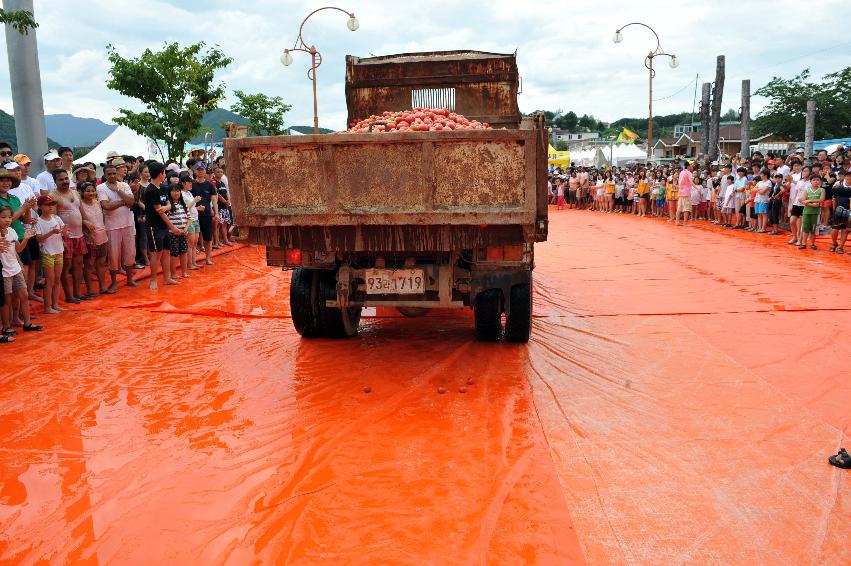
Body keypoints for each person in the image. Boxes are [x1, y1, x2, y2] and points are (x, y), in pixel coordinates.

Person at [96, 164, 138, 293]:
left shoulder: (124, 185)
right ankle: (114, 283)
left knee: (130, 252)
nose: (112, 176)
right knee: (113, 255)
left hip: (128, 223)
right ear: (105, 175)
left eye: (114, 173)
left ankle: (130, 279)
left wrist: (118, 191)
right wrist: (122, 202)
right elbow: (106, 206)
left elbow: (132, 202)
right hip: (112, 226)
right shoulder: (100, 188)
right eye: (109, 174)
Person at [0, 206, 41, 335]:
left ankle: (27, 323)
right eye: (3, 217)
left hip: (15, 268)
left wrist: (26, 238)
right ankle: (6, 326)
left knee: (24, 295)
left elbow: (18, 249)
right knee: (6, 300)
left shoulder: (11, 231)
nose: (7, 220)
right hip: (4, 271)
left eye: (9, 217)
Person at [143, 161, 181, 289]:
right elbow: (160, 212)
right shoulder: (150, 190)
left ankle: (167, 278)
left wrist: (167, 207)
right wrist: (172, 227)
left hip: (164, 226)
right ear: (160, 174)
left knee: (166, 252)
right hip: (154, 226)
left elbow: (170, 204)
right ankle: (153, 279)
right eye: (164, 173)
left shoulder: (164, 187)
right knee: (156, 253)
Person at [51, 169, 87, 303]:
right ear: (55, 181)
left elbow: (81, 212)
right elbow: (53, 219)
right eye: (61, 179)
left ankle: (77, 293)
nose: (64, 181)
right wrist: (62, 238)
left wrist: (87, 224)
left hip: (79, 235)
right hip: (65, 237)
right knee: (66, 267)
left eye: (66, 178)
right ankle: (68, 295)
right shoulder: (53, 196)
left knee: (79, 264)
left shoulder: (76, 193)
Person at [35, 194, 66, 314]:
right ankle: (47, 307)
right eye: (47, 205)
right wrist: (52, 232)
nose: (51, 207)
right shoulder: (38, 221)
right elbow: (39, 239)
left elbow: (64, 232)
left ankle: (55, 304)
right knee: (50, 280)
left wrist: (64, 232)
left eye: (52, 204)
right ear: (40, 206)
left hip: (59, 251)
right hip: (48, 252)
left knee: (57, 279)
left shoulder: (57, 218)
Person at [79, 182, 108, 296]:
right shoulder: (80, 205)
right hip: (89, 239)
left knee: (101, 263)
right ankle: (90, 289)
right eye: (87, 191)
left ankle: (102, 287)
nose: (91, 193)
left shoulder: (97, 203)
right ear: (81, 192)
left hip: (103, 237)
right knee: (89, 265)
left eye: (92, 190)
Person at [191, 162, 217, 265]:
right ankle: (192, 261)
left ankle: (208, 258)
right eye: (198, 170)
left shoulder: (209, 185)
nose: (200, 171)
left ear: (205, 171)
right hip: (194, 215)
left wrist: (216, 213)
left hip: (206, 214)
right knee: (194, 239)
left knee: (208, 237)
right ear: (195, 171)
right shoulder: (192, 185)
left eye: (202, 169)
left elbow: (214, 199)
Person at [165, 183, 190, 279]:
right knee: (173, 254)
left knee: (184, 252)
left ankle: (184, 272)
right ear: (169, 193)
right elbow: (166, 220)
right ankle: (174, 273)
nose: (176, 193)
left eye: (178, 190)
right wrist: (174, 229)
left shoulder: (183, 205)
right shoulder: (168, 206)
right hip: (172, 234)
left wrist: (185, 229)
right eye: (174, 191)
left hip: (183, 232)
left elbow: (189, 218)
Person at [180, 175, 202, 269]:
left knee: (195, 242)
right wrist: (195, 201)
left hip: (195, 218)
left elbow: (191, 207)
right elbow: (185, 208)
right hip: (189, 220)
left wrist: (197, 208)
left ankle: (194, 262)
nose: (191, 184)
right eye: (189, 182)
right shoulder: (181, 194)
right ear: (183, 183)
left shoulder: (189, 193)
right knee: (190, 243)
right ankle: (190, 264)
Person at [799, 175, 824, 250]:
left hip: (815, 213)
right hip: (806, 212)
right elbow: (803, 200)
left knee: (813, 229)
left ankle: (812, 244)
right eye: (814, 180)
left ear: (820, 181)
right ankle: (804, 243)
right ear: (810, 181)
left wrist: (809, 201)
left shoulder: (821, 190)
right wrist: (812, 205)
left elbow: (821, 199)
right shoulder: (807, 190)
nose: (815, 181)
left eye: (817, 180)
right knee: (805, 228)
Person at [829, 170, 851, 254]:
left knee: (845, 230)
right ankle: (834, 243)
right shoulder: (838, 185)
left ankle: (841, 247)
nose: (849, 178)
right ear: (845, 177)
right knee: (835, 230)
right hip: (838, 211)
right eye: (847, 176)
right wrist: (834, 210)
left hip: (849, 212)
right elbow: (833, 198)